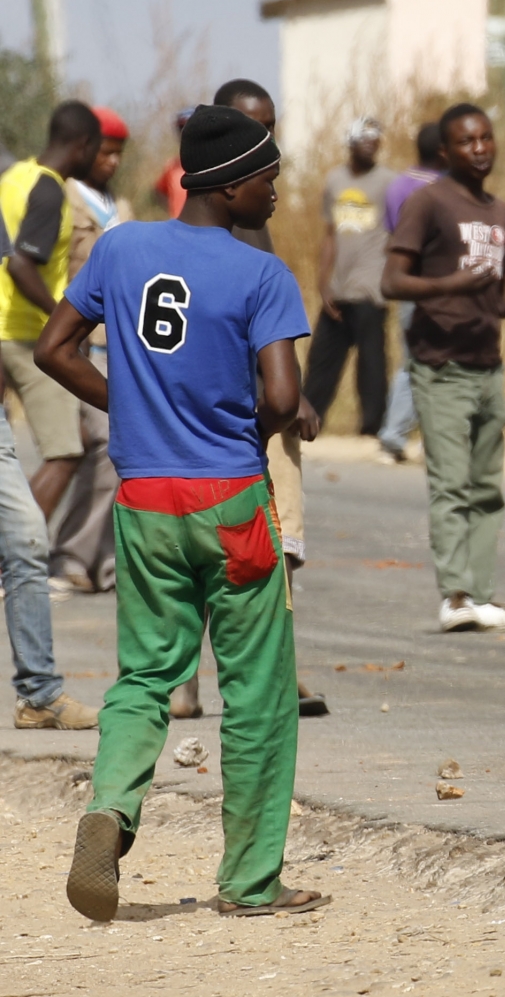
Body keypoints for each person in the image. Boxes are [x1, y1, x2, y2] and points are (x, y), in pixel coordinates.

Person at [39, 103, 327, 920]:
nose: (275, 191)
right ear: (232, 183)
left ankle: (110, 810)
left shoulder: (123, 245)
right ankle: (248, 880)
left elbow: (54, 349)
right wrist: (240, 422)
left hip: (144, 497)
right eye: (269, 177)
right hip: (230, 498)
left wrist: (133, 406)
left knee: (145, 674)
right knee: (259, 690)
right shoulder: (261, 272)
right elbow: (281, 395)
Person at [382, 102, 505, 631]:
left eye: (487, 138)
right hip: (439, 365)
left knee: (488, 487)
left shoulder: (501, 213)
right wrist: (450, 285)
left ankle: (483, 595)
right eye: (467, 142)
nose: (480, 148)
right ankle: (455, 596)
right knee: (451, 484)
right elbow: (392, 282)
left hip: (487, 366)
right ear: (445, 151)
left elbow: (503, 300)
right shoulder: (429, 203)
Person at [197, 78, 326, 721]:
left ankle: (281, 666)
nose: (264, 142)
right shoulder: (232, 215)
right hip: (249, 413)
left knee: (279, 546)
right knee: (243, 544)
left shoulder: (255, 210)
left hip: (263, 405)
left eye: (271, 127)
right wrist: (286, 398)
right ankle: (211, 680)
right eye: (252, 128)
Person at [0, 101, 102, 524]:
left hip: (6, 329)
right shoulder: (47, 189)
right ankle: (12, 561)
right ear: (82, 146)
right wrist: (64, 317)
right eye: (96, 150)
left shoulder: (14, 178)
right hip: (27, 335)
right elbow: (21, 262)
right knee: (64, 453)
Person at [53, 106, 134, 594]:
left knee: (108, 450)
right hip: (82, 342)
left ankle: (102, 558)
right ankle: (70, 554)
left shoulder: (116, 203)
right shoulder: (66, 199)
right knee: (104, 445)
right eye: (105, 150)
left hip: (121, 342)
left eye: (119, 152)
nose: (112, 160)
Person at [302, 117, 397, 437]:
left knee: (371, 362)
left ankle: (372, 427)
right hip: (338, 288)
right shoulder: (335, 181)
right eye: (365, 139)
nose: (372, 145)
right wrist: (322, 281)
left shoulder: (388, 183)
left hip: (370, 286)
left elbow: (400, 233)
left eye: (376, 140)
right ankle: (308, 420)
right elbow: (329, 234)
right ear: (351, 142)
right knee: (322, 360)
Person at [376, 123, 446, 463]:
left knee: (410, 359)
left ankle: (394, 432)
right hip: (441, 283)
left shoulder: (397, 184)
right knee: (440, 359)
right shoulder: (447, 187)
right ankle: (416, 436)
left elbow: (393, 232)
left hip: (405, 280)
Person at [151, 107, 194, 218]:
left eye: (190, 128)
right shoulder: (172, 166)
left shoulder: (212, 163)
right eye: (182, 129)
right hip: (178, 228)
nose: (186, 133)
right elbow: (159, 191)